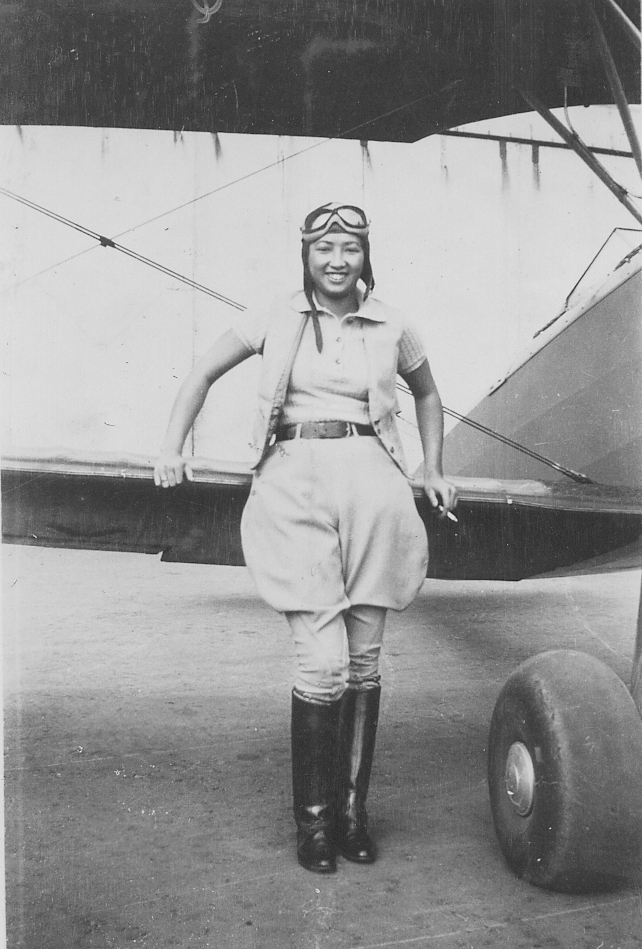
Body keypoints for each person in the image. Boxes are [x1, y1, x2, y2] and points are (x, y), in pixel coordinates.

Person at [153, 202, 457, 874]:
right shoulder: (275, 316)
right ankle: (313, 825)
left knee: (365, 661)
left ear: (365, 255)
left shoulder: (394, 323)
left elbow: (429, 395)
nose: (337, 260)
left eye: (349, 247)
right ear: (306, 256)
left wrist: (433, 466)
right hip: (294, 484)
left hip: (374, 487)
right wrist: (171, 447)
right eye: (324, 248)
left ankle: (352, 816)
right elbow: (202, 372)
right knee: (321, 664)